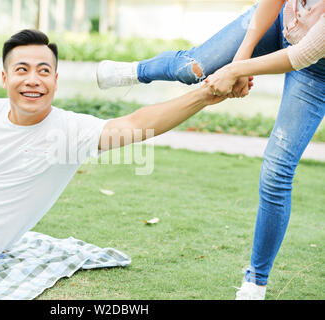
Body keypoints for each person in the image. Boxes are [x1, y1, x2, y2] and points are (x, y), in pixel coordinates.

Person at [0, 30, 235, 268]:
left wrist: (204, 94)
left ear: (55, 80)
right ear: (5, 78)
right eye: (22, 69)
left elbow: (135, 124)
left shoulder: (70, 131)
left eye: (43, 71)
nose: (33, 79)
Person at [97, 0, 324, 300]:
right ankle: (134, 71)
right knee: (194, 67)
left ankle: (255, 283)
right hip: (279, 21)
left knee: (276, 171)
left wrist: (237, 69)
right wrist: (237, 61)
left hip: (316, 70)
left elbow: (301, 55)